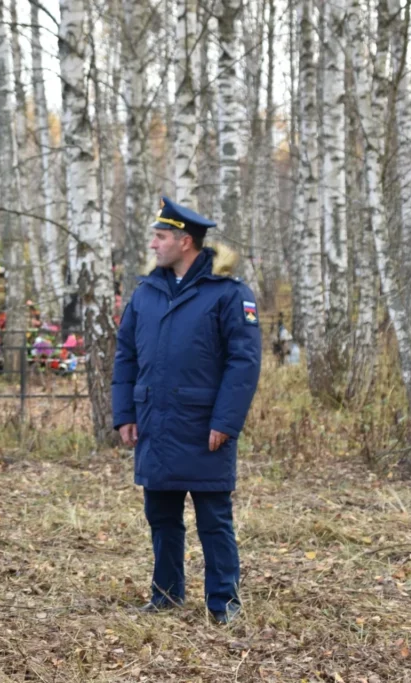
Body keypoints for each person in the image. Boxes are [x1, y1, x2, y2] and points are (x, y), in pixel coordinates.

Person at [111, 196, 262, 625]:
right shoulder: (146, 293)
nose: (154, 245)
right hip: (156, 424)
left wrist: (225, 422)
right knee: (160, 514)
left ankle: (223, 604)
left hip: (203, 428)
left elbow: (243, 363)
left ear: (185, 241)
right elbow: (126, 357)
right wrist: (125, 413)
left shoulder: (228, 294)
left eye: (160, 238)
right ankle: (166, 595)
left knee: (213, 519)